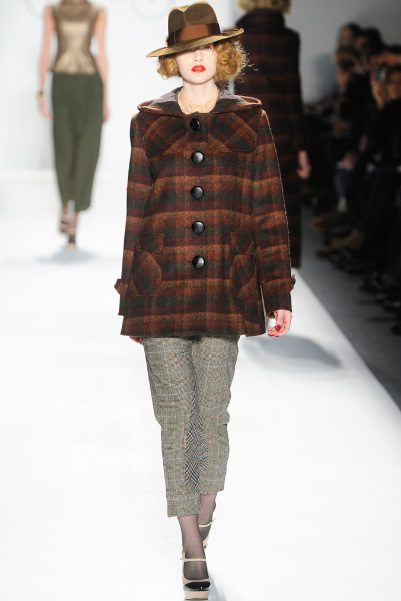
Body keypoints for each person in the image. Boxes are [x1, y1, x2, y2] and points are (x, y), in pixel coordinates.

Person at [114, 2, 294, 598]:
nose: (196, 58)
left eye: (206, 48)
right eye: (185, 50)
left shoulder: (250, 119)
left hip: (226, 287)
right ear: (173, 60)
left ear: (222, 54)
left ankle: (204, 506)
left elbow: (269, 207)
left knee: (211, 414)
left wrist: (277, 290)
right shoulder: (149, 122)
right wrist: (129, 296)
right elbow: (136, 210)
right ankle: (192, 542)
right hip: (160, 289)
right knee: (175, 417)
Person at [234, 0, 311, 267]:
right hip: (282, 131)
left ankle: (247, 264)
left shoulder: (235, 36)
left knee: (247, 202)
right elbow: (292, 94)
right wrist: (302, 148)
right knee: (282, 203)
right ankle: (279, 269)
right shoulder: (288, 39)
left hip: (245, 128)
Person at [37, 0, 109, 249]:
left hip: (91, 86)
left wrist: (105, 98)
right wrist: (40, 93)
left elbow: (102, 54)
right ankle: (65, 205)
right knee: (64, 149)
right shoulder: (53, 11)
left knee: (87, 151)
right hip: (62, 84)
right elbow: (46, 51)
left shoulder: (97, 12)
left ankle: (74, 219)